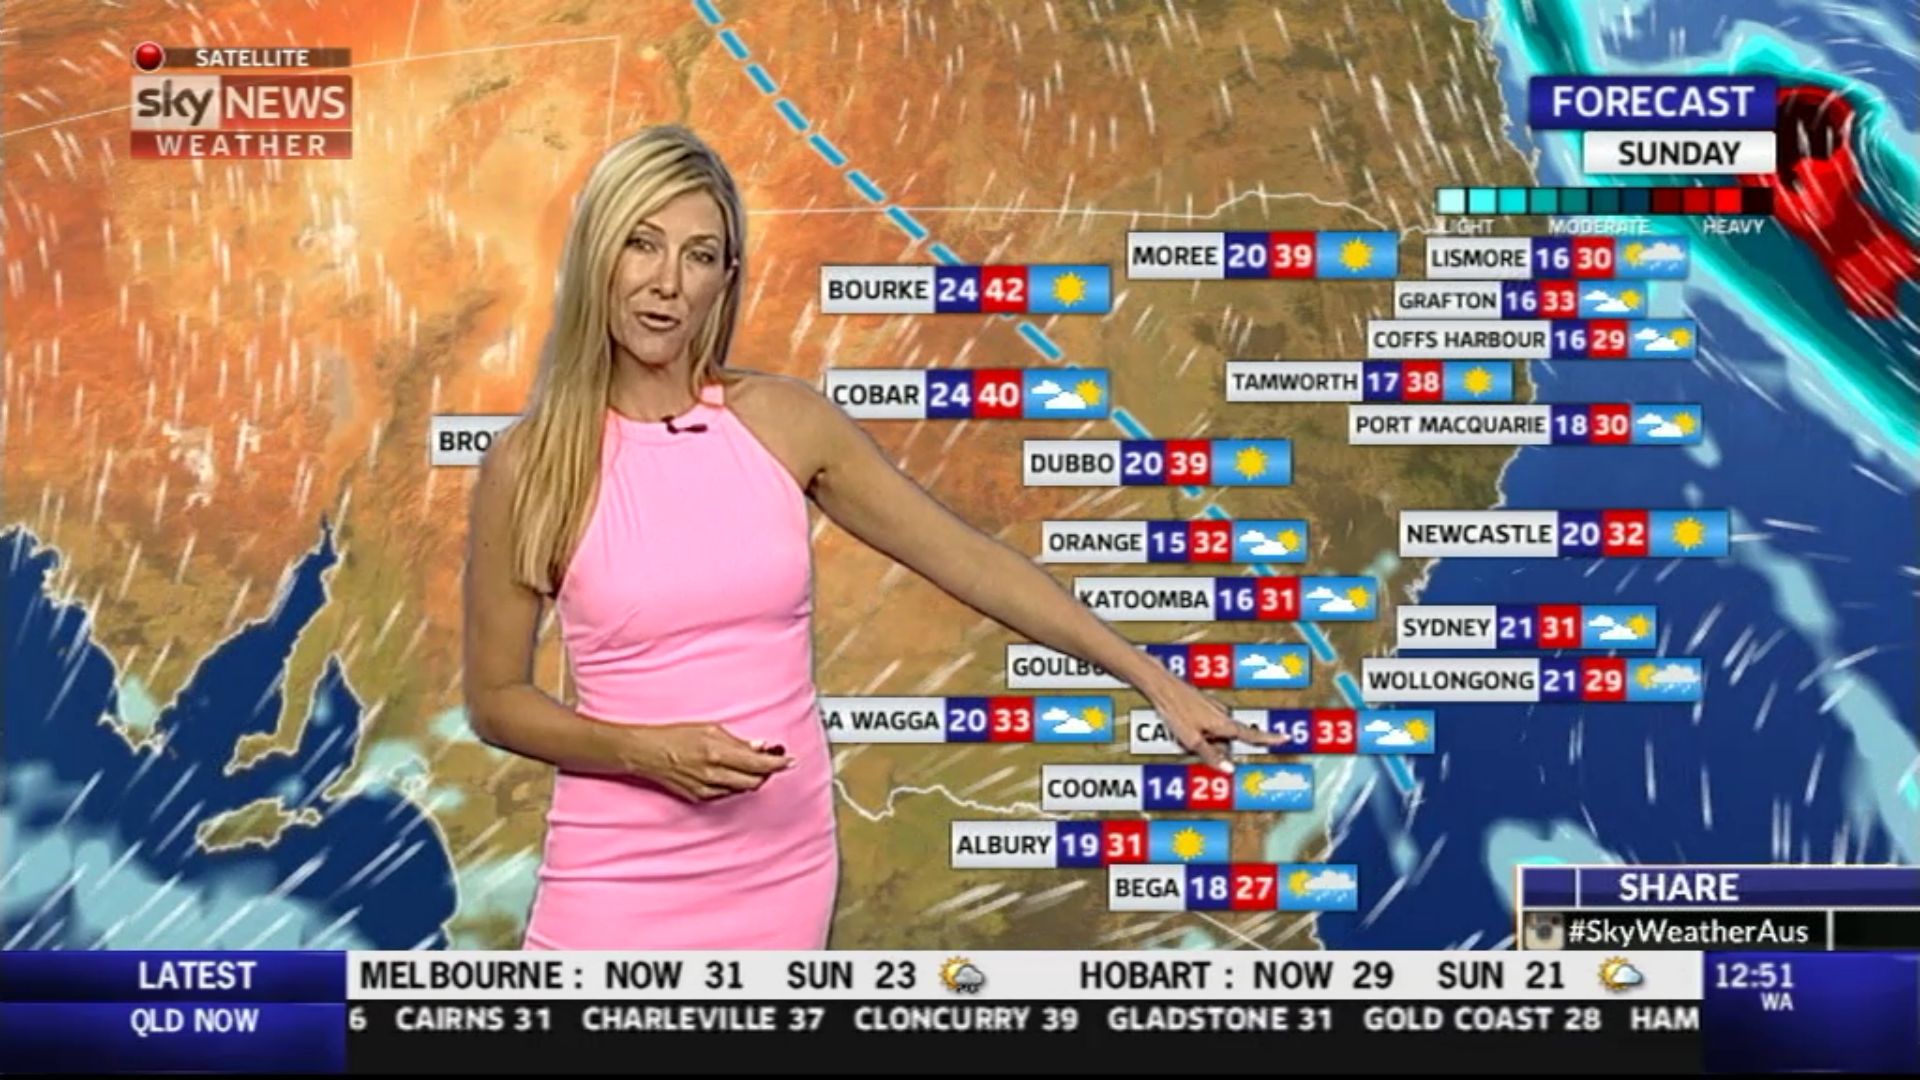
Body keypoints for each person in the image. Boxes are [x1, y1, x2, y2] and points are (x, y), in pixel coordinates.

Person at [463, 124, 1283, 950]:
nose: (667, 283)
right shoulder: (532, 464)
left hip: (781, 876)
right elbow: (497, 701)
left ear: (726, 278)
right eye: (642, 244)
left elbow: (970, 560)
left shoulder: (787, 423)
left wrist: (1154, 680)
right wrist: (643, 753)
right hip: (618, 884)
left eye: (699, 255)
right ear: (599, 251)